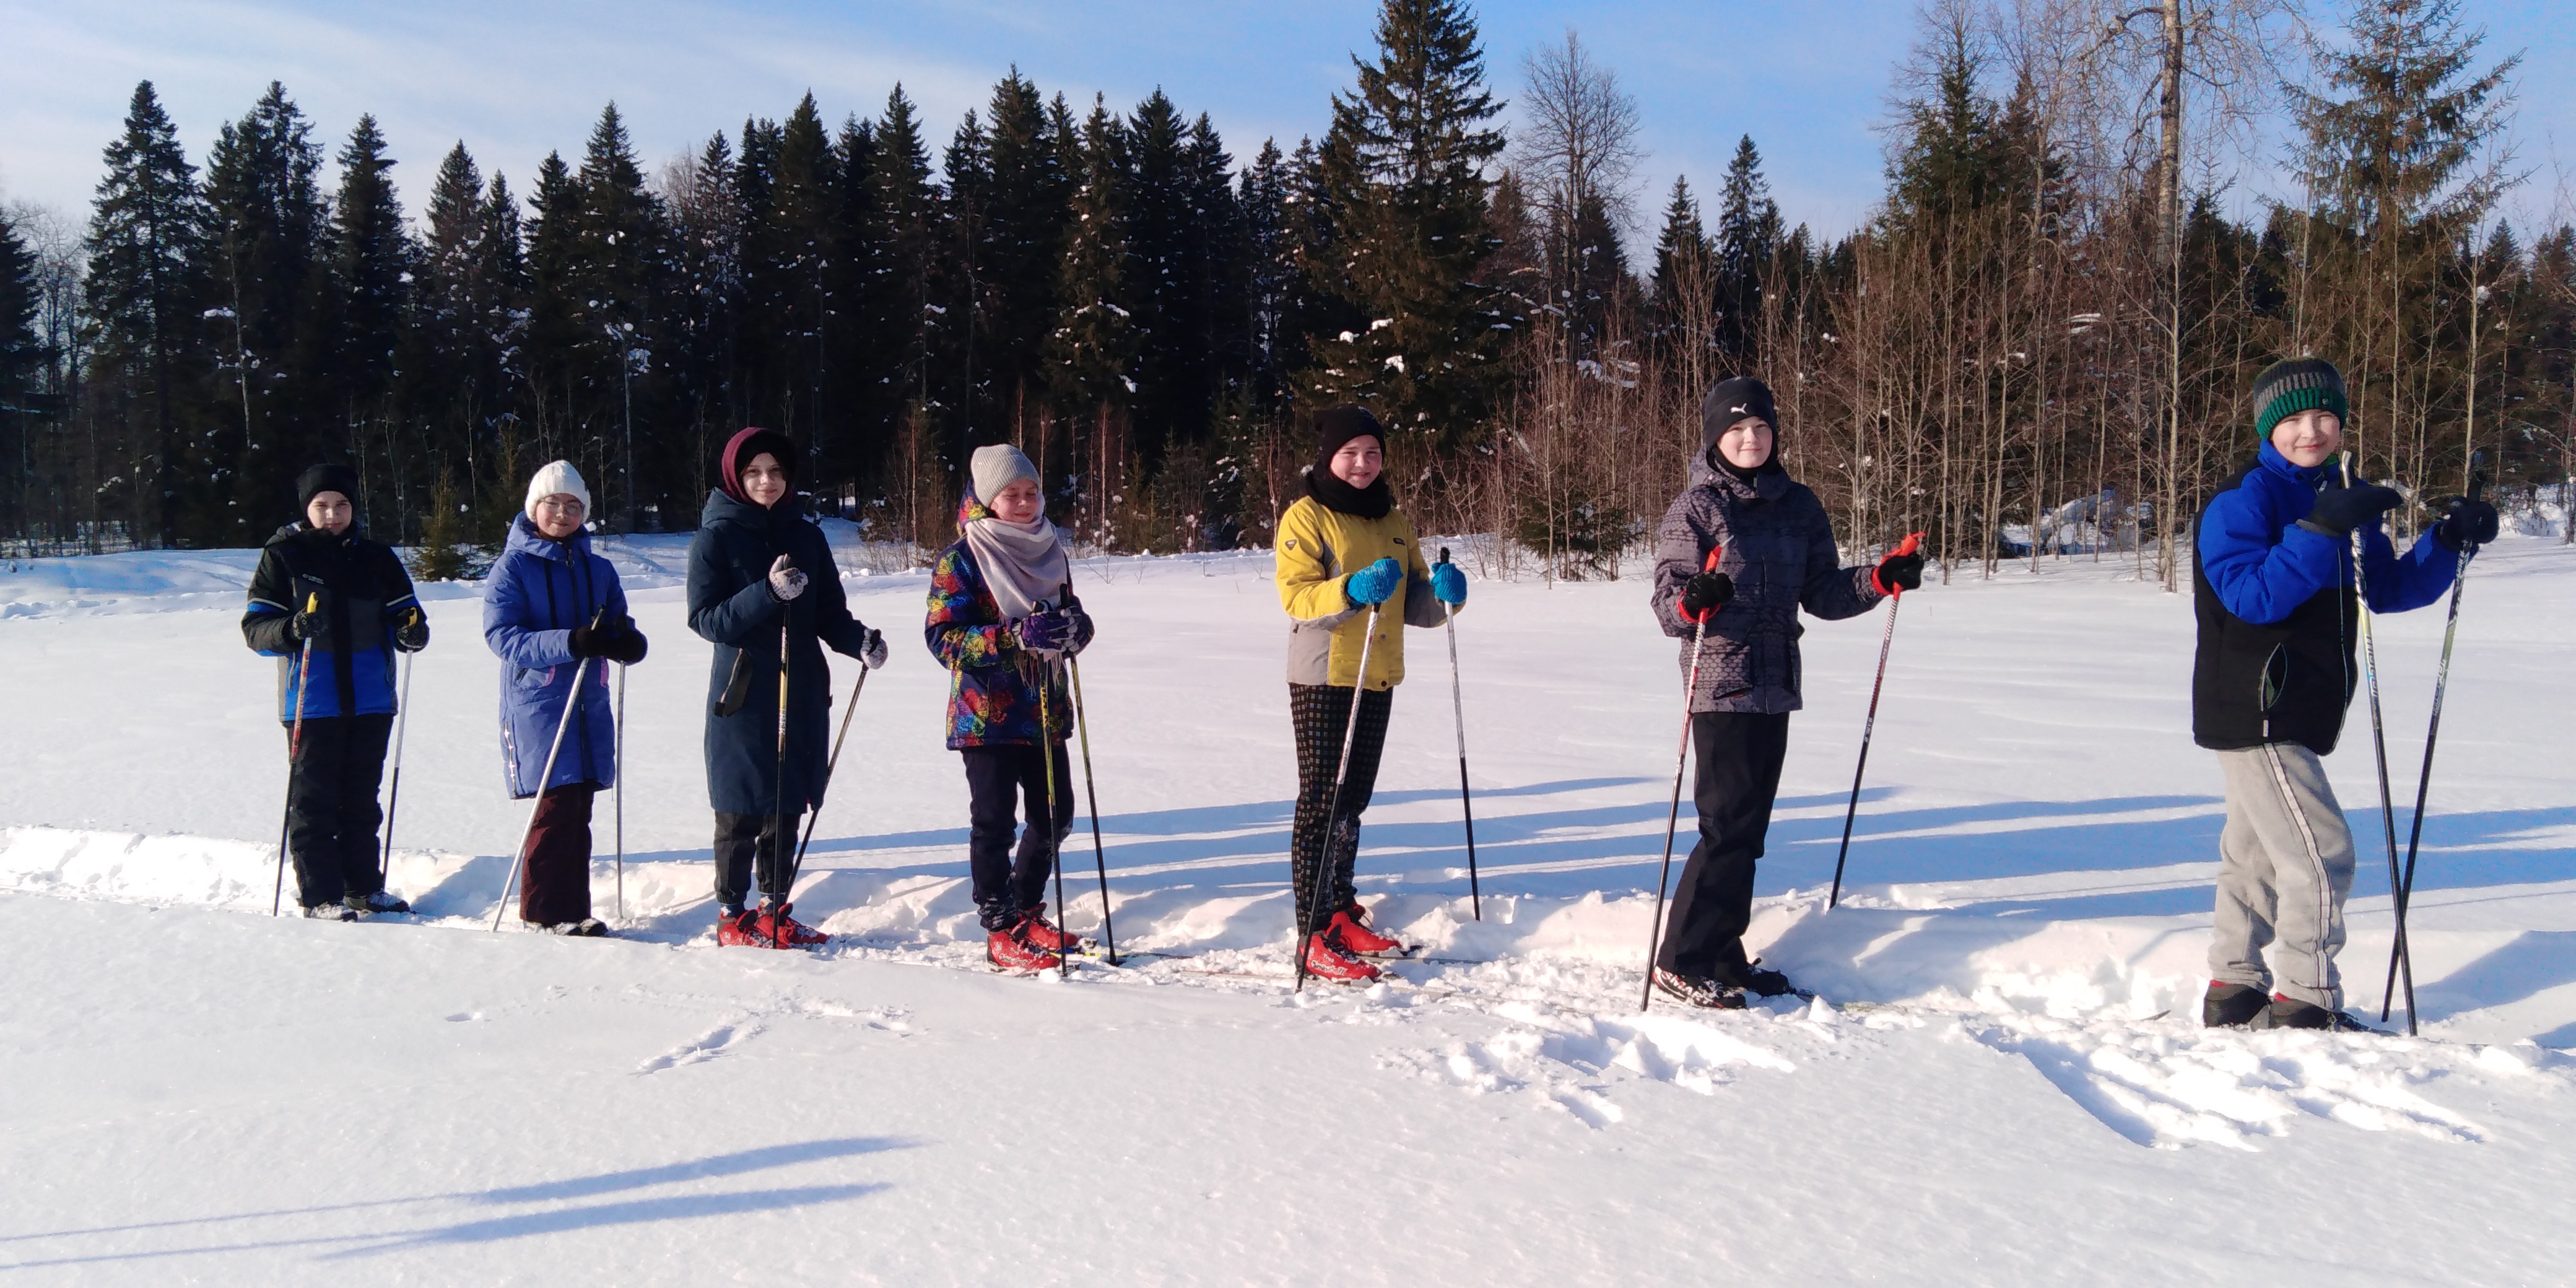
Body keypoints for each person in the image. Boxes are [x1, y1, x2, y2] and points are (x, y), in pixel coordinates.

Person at [2193, 357, 2494, 1031]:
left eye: (2323, 416)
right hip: (2253, 704)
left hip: (2300, 704)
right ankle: (2304, 999)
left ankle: (2232, 988)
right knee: (2319, 852)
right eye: (2292, 419)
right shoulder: (2240, 502)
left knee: (2255, 855)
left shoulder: (2343, 496)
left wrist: (2445, 542)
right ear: (2267, 428)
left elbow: (2382, 590)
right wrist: (2319, 529)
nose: (2309, 431)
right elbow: (2249, 598)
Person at [1647, 377, 1918, 1009]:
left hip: (1775, 682)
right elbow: (1666, 606)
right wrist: (1694, 600)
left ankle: (1721, 950)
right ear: (1717, 436)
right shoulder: (1695, 508)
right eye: (1737, 430)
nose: (1750, 439)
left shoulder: (1798, 505)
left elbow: (1821, 591)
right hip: (1718, 680)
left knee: (1749, 830)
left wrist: (1877, 579)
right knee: (1725, 827)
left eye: (1761, 429)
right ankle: (1681, 958)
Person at [1273, 406, 1469, 983]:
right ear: (1328, 457)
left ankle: (1339, 905)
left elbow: (1415, 605)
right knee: (1321, 800)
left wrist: (1446, 595)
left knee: (1352, 800)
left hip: (1376, 670)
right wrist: (1352, 589)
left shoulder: (1394, 517)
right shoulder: (1305, 516)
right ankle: (1313, 929)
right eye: (1350, 453)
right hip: (1323, 673)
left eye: (1373, 453)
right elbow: (1298, 599)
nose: (1362, 464)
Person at [686, 427, 889, 948]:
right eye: (754, 471)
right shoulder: (716, 537)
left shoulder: (807, 535)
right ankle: (733, 915)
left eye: (776, 472)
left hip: (799, 687)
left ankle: (775, 909)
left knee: (786, 803)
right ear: (735, 475)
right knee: (740, 806)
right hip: (743, 692)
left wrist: (858, 641)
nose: (767, 481)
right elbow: (707, 620)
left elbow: (827, 612)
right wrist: (768, 593)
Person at [924, 445, 1097, 972]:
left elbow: (1070, 612)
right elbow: (943, 639)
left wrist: (1077, 630)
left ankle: (1026, 906)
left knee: (1056, 816)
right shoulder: (963, 557)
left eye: (1031, 493)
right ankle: (999, 925)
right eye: (1011, 495)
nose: (1024, 504)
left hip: (1044, 706)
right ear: (986, 499)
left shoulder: (1050, 549)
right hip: (987, 714)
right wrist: (1014, 636)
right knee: (995, 822)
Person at [242, 463, 430, 920]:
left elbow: (407, 613)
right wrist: (291, 628)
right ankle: (320, 896)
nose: (333, 514)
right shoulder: (284, 555)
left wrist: (413, 632)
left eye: (342, 505)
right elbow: (255, 628)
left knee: (362, 800)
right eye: (322, 505)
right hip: (312, 698)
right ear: (307, 509)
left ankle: (363, 889)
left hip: (371, 697)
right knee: (313, 802)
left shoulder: (377, 556)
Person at [482, 461, 648, 936]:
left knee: (580, 806)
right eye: (552, 503)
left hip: (587, 703)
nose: (562, 513)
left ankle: (573, 910)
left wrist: (624, 641)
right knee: (553, 808)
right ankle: (543, 912)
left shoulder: (599, 569)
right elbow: (503, 637)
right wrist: (570, 642)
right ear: (534, 508)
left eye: (573, 505)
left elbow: (616, 620)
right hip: (539, 703)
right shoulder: (513, 566)